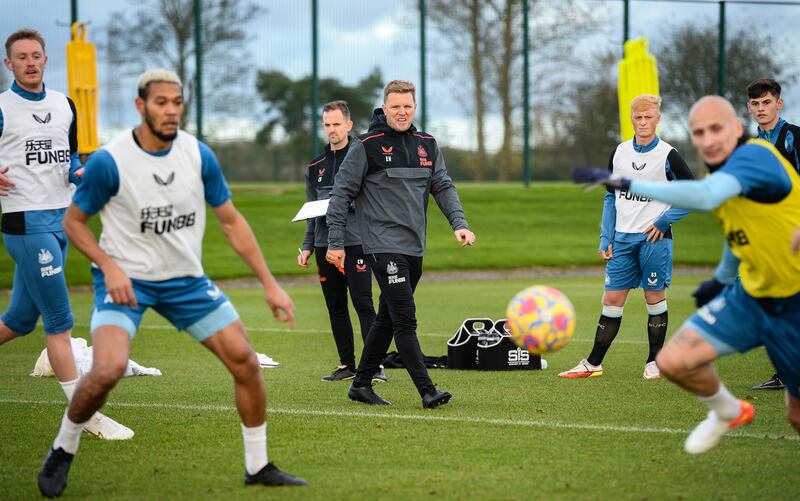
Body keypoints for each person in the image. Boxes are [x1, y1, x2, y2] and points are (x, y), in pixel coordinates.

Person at [36, 69, 306, 497]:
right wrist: (109, 266)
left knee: (246, 362)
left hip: (185, 282)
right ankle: (63, 448)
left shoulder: (198, 155)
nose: (170, 110)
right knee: (106, 370)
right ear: (141, 106)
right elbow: (73, 223)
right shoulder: (111, 160)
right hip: (126, 282)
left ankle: (258, 466)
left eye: (177, 102)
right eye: (161, 102)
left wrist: (271, 284)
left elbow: (232, 222)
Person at [573, 95, 800, 454]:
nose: (707, 139)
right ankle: (728, 410)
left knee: (796, 416)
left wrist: (629, 184)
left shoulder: (755, 157)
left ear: (737, 129)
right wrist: (722, 279)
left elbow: (706, 197)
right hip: (752, 296)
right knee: (675, 362)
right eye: (699, 132)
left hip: (794, 301)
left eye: (716, 129)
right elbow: (738, 234)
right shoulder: (725, 172)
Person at [0, 28, 132, 440]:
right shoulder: (2, 107)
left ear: (45, 59)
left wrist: (80, 171)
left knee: (20, 321)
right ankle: (85, 414)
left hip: (62, 221)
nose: (30, 62)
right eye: (21, 57)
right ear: (9, 64)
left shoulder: (64, 104)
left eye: (36, 55)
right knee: (59, 321)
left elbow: (71, 157)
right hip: (25, 223)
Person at [325, 80, 475, 408]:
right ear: (385, 107)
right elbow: (341, 194)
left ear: (415, 107)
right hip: (381, 246)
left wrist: (459, 224)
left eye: (407, 106)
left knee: (387, 318)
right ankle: (427, 390)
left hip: (414, 247)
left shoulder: (428, 144)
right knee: (405, 317)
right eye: (395, 106)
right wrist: (335, 242)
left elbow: (443, 186)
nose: (402, 112)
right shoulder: (366, 145)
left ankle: (361, 384)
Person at [559, 94, 694, 380]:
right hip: (621, 240)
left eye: (648, 117)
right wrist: (605, 237)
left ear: (658, 119)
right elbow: (611, 197)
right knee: (612, 298)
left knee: (655, 296)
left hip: (654, 240)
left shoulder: (669, 155)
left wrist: (665, 219)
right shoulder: (618, 153)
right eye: (638, 117)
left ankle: (654, 361)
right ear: (631, 119)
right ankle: (593, 364)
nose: (643, 122)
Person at [298, 100, 382, 383]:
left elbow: (371, 201)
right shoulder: (315, 166)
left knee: (363, 303)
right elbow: (311, 209)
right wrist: (308, 245)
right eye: (327, 125)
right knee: (336, 307)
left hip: (356, 242)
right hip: (324, 245)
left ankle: (375, 366)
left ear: (348, 125)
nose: (332, 130)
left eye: (337, 124)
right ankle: (347, 364)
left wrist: (338, 205)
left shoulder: (363, 157)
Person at [746, 78, 799, 391]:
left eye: (766, 102)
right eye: (755, 104)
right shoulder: (753, 144)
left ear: (779, 104)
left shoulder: (795, 137)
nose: (761, 108)